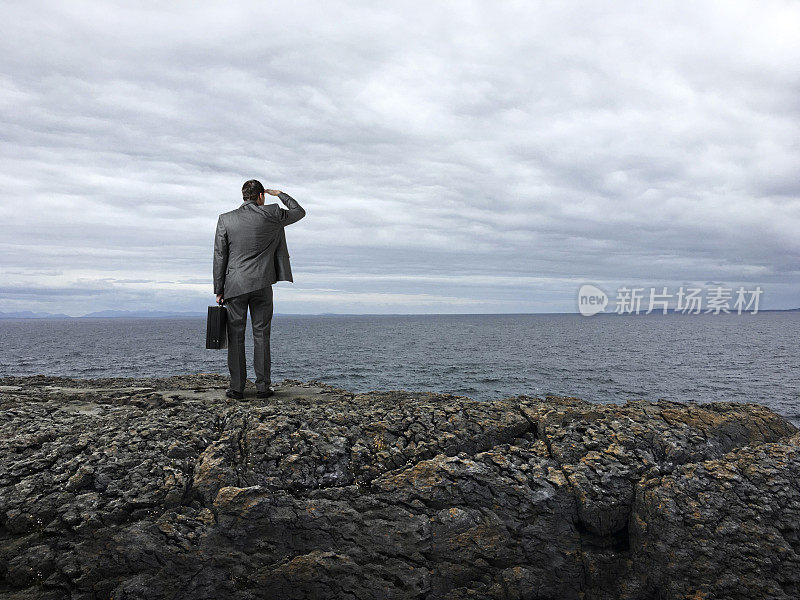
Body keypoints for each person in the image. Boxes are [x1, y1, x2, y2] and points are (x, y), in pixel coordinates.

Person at [213, 180, 306, 400]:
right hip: (263, 284)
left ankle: (237, 388)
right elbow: (299, 212)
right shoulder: (272, 214)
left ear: (244, 196)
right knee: (261, 335)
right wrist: (281, 194)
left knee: (236, 336)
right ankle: (263, 387)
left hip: (234, 285)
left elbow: (220, 256)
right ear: (261, 197)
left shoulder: (225, 219)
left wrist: (219, 288)